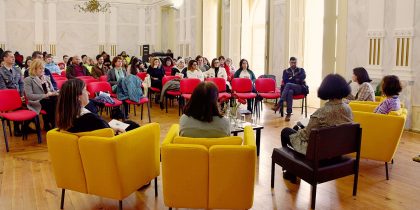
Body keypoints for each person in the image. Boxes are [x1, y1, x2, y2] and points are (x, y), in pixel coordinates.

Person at [280, 74, 353, 183]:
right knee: (296, 127)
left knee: (285, 132)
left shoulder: (321, 112)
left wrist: (300, 130)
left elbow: (305, 135)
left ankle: (293, 170)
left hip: (318, 152)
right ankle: (293, 170)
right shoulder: (348, 109)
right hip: (336, 150)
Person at [24, 59, 58, 130]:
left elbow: (52, 90)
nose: (43, 70)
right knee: (52, 102)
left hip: (49, 100)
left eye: (43, 68)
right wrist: (45, 95)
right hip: (37, 102)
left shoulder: (46, 78)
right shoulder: (28, 79)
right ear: (34, 69)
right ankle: (53, 125)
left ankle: (50, 124)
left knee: (56, 100)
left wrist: (55, 92)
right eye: (40, 68)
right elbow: (29, 96)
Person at [272, 57, 308, 121]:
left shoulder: (301, 70)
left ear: (296, 62)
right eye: (292, 62)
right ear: (289, 63)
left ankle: (279, 104)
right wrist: (296, 79)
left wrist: (292, 78)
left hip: (300, 88)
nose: (293, 64)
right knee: (290, 91)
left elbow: (303, 77)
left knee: (289, 85)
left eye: (295, 62)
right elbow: (285, 81)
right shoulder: (285, 71)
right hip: (291, 89)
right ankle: (289, 113)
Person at [0, 50, 26, 136]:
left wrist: (22, 95)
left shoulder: (17, 69)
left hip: (19, 95)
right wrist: (16, 98)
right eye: (11, 57)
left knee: (30, 103)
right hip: (8, 98)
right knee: (18, 105)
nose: (13, 58)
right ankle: (16, 128)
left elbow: (21, 83)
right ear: (4, 58)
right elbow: (3, 88)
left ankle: (25, 127)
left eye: (13, 57)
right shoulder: (1, 71)